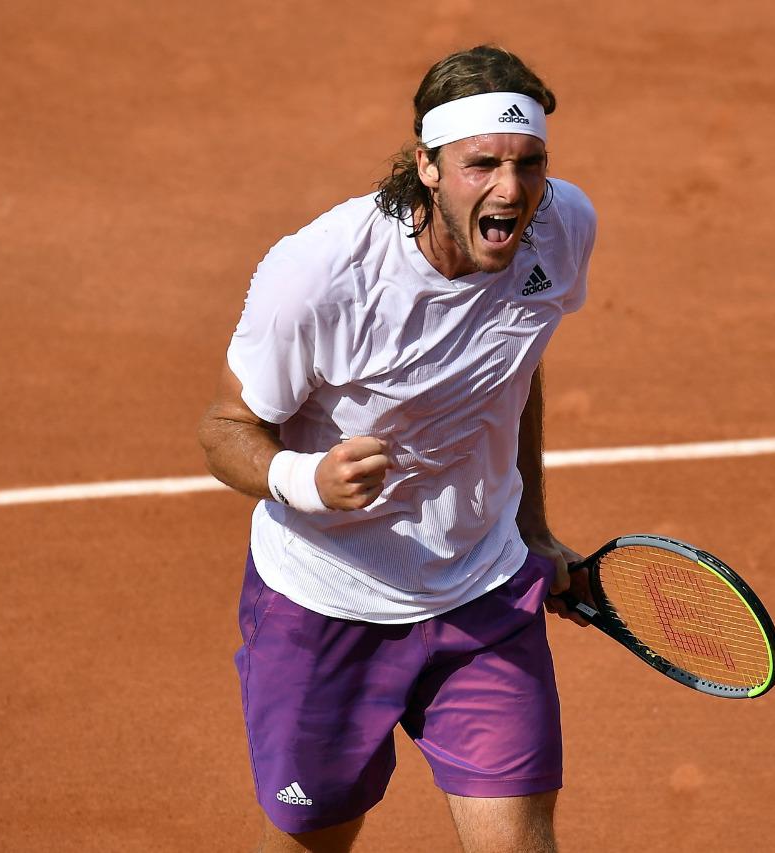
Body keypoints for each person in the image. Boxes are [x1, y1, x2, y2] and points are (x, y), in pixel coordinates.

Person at [198, 44, 596, 853]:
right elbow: (225, 429)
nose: (511, 190)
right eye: (482, 163)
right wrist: (305, 476)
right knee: (316, 841)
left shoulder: (561, 229)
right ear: (427, 164)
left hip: (480, 594)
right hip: (326, 606)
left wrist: (533, 528)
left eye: (530, 163)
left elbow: (514, 365)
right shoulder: (321, 275)